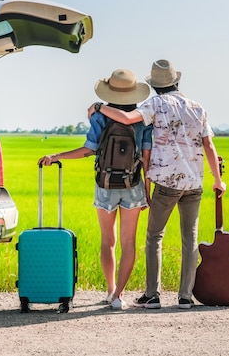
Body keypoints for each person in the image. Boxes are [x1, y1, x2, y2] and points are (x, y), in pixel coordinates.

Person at [88, 59, 226, 309]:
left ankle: (152, 295)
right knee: (190, 239)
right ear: (176, 81)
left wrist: (99, 107)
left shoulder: (155, 103)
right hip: (194, 183)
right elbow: (209, 145)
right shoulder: (197, 107)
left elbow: (129, 119)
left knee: (154, 236)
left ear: (154, 86)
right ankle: (185, 297)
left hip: (166, 181)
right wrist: (218, 180)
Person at [39, 69, 152, 310]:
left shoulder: (100, 116)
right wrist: (148, 193)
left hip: (105, 184)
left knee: (107, 240)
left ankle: (110, 289)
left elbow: (88, 149)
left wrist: (56, 155)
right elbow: (146, 157)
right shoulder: (141, 118)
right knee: (129, 242)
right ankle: (119, 296)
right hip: (133, 185)